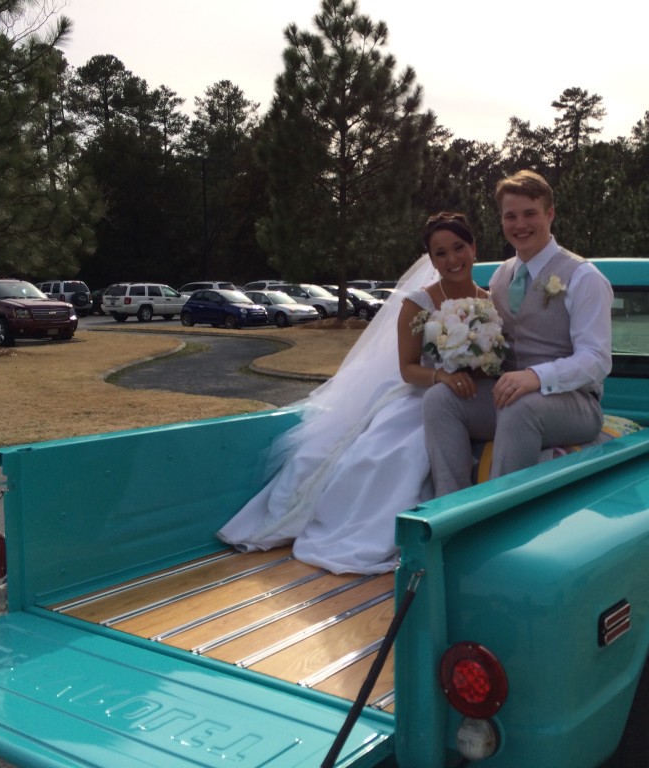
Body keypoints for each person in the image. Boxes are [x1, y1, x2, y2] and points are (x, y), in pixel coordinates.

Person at [217, 212, 490, 574]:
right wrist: (442, 376)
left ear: (473, 247)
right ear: (431, 259)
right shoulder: (418, 303)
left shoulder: (488, 301)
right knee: (396, 452)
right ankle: (368, 534)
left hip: (470, 400)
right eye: (440, 254)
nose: (452, 259)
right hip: (421, 394)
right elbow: (409, 369)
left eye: (458, 248)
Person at [423, 170, 614, 494]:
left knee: (519, 406)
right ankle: (450, 510)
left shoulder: (584, 277)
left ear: (549, 214)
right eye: (510, 216)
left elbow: (596, 360)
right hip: (511, 396)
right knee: (440, 400)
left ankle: (497, 517)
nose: (520, 224)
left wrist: (536, 377)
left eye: (530, 213)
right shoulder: (500, 277)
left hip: (576, 403)